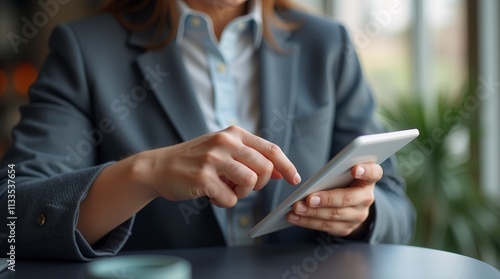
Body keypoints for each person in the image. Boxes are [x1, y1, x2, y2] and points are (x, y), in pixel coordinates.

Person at [0, 0, 415, 260]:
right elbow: (12, 215)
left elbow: (397, 209)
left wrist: (361, 215)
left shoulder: (328, 45)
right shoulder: (85, 49)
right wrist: (147, 173)